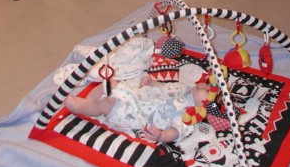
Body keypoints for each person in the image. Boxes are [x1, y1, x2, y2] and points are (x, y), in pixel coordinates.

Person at [64, 36, 210, 143]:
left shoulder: (187, 116)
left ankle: (80, 108)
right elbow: (163, 88)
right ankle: (89, 103)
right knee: (109, 82)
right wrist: (151, 83)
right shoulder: (183, 90)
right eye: (208, 86)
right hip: (135, 96)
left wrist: (161, 136)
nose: (205, 86)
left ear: (204, 108)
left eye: (208, 92)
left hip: (134, 114)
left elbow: (176, 131)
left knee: (107, 103)